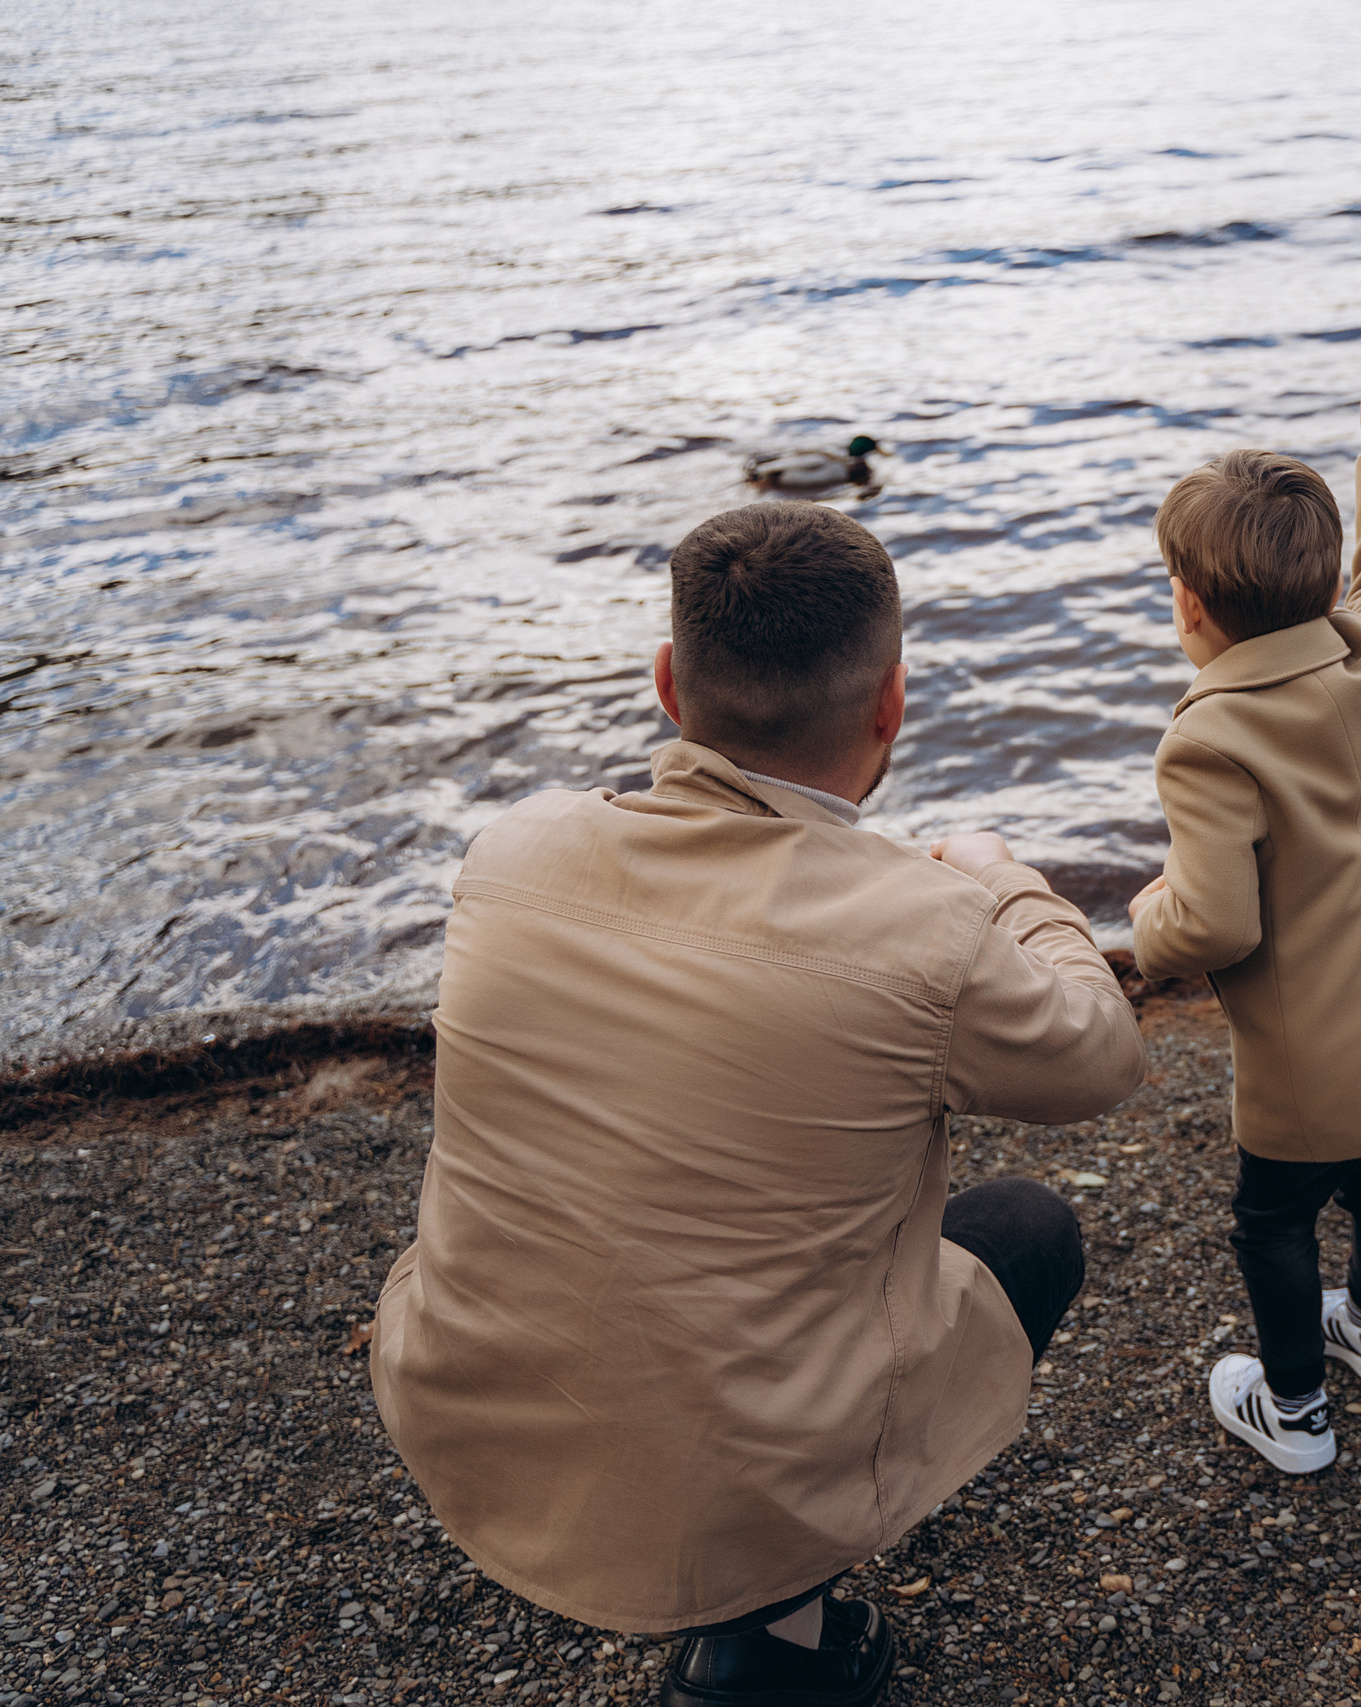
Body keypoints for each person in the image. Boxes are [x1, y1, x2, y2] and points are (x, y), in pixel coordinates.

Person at [370, 502, 1146, 1707]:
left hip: (473, 1405)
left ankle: (746, 1557)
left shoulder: (511, 854)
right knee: (1027, 1230)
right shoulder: (926, 927)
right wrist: (1005, 883)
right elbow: (1099, 1057)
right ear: (891, 704)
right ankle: (772, 1632)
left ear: (668, 684)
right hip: (736, 1470)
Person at [1129, 331, 1361, 1474]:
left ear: (1188, 605)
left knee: (1273, 1223)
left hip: (1313, 1062)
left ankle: (1293, 1410)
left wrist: (1146, 922)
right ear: (1328, 590)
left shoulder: (1209, 739)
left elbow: (1215, 924)